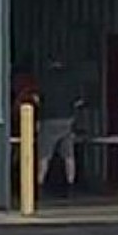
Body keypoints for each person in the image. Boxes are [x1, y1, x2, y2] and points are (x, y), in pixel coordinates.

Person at [35, 55, 84, 196]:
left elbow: (37, 99)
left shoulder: (44, 79)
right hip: (67, 120)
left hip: (49, 120)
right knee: (69, 155)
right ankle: (70, 185)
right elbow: (78, 101)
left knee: (44, 155)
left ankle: (39, 185)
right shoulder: (71, 79)